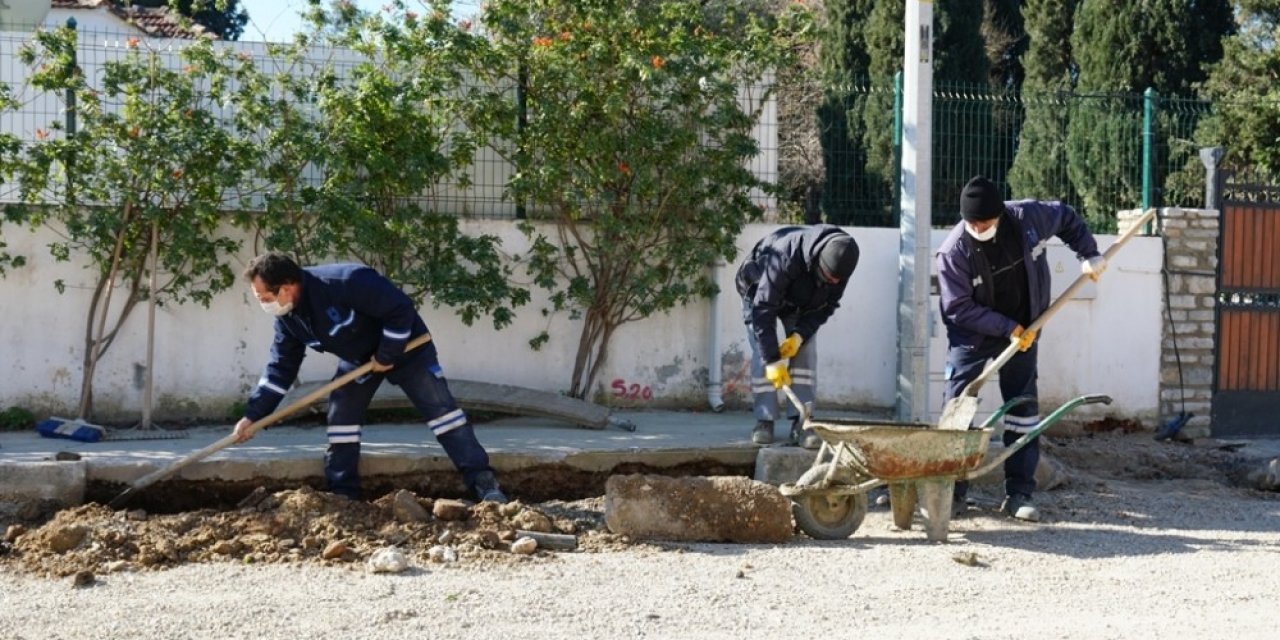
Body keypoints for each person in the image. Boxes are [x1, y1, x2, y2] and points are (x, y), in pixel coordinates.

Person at [233, 253, 507, 503]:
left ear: (287, 287)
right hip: (359, 359)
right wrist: (254, 415)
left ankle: (483, 483)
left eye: (265, 298)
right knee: (341, 415)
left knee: (443, 413)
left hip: (408, 348)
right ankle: (344, 495)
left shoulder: (345, 281)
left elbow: (400, 310)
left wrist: (387, 354)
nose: (264, 305)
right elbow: (280, 368)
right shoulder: (289, 318)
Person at [936, 176, 1107, 521]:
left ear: (999, 214)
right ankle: (952, 493)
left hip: (1026, 329)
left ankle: (1019, 493)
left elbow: (1066, 217)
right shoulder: (954, 251)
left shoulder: (1027, 218)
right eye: (972, 222)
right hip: (973, 336)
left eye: (984, 221)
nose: (978, 227)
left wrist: (1088, 252)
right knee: (959, 409)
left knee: (1023, 410)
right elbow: (957, 308)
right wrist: (1005, 327)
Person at [735, 224, 860, 448]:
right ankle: (764, 421)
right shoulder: (785, 255)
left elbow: (827, 306)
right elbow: (763, 308)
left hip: (800, 303)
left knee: (806, 351)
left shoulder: (842, 264)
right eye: (828, 277)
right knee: (762, 353)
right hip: (758, 292)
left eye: (836, 281)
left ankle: (802, 422)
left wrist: (800, 335)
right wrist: (772, 360)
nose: (833, 283)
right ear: (818, 262)